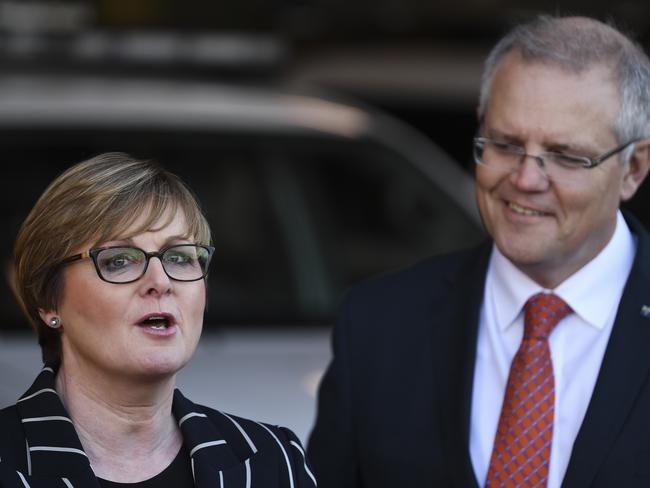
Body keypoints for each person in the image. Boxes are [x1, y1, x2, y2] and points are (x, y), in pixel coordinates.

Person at [308, 15, 650, 488]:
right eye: (506, 145)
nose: (527, 180)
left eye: (566, 155)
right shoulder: (378, 324)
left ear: (633, 167)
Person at [1, 153, 317, 487]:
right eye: (119, 260)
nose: (161, 280)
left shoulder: (274, 461)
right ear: (49, 301)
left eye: (180, 257)